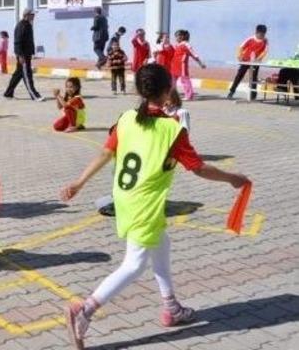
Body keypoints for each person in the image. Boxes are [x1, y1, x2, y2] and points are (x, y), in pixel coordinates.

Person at [60, 63, 250, 349]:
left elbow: (105, 152)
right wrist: (232, 178)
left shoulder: (126, 119)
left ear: (140, 90)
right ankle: (84, 310)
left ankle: (171, 306)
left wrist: (79, 182)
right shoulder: (171, 130)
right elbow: (198, 168)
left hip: (124, 197)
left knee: (161, 243)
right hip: (144, 203)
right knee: (134, 264)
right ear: (167, 91)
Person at [3, 8, 43, 101]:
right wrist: (20, 55)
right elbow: (17, 42)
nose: (34, 16)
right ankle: (34, 95)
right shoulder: (21, 26)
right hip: (23, 55)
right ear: (27, 15)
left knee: (18, 74)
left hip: (27, 54)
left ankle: (8, 93)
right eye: (32, 14)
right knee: (27, 75)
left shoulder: (28, 25)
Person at [227, 24, 268, 100]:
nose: (262, 36)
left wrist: (258, 59)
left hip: (255, 62)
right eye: (260, 34)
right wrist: (239, 56)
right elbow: (241, 47)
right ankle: (232, 91)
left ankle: (253, 94)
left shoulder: (265, 41)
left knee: (253, 78)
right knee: (239, 76)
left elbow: (264, 52)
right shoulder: (250, 39)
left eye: (263, 34)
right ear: (256, 32)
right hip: (246, 61)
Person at [171, 29, 206, 101]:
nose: (176, 38)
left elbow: (193, 54)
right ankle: (172, 95)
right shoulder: (177, 45)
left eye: (177, 36)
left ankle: (189, 96)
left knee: (185, 81)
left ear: (182, 36)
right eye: (176, 36)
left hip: (182, 66)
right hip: (174, 66)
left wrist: (200, 63)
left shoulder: (186, 44)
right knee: (172, 81)